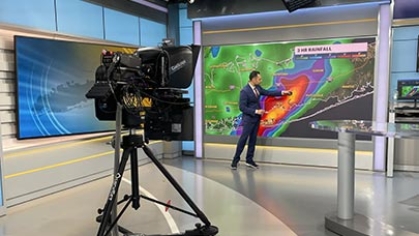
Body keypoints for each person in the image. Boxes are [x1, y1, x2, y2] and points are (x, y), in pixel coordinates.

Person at [231, 70, 292, 170]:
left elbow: (268, 93)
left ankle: (249, 160)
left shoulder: (258, 88)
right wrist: (256, 111)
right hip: (249, 119)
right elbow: (242, 107)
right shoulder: (244, 91)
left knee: (253, 140)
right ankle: (235, 161)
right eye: (259, 79)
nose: (261, 80)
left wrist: (282, 92)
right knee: (243, 139)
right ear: (253, 79)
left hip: (256, 119)